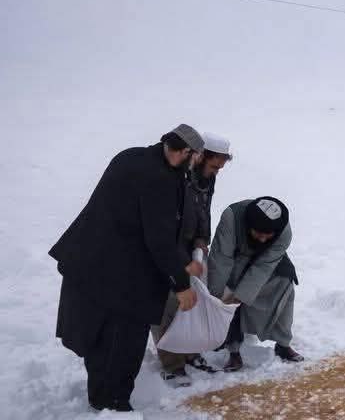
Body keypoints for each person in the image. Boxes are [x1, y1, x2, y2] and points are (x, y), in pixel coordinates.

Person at [49, 125, 205, 413]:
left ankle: (103, 399)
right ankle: (113, 406)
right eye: (195, 157)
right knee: (122, 343)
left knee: (101, 338)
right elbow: (158, 239)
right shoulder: (159, 179)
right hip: (122, 277)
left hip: (92, 262)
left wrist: (181, 259)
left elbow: (137, 218)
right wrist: (182, 284)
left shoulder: (131, 156)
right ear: (185, 152)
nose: (194, 164)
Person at [149, 131, 234, 385]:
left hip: (191, 246)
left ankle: (190, 352)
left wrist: (202, 239)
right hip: (170, 246)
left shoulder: (208, 178)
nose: (216, 172)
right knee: (167, 303)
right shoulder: (179, 176)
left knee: (191, 301)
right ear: (200, 156)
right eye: (214, 166)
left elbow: (203, 209)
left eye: (220, 168)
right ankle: (171, 364)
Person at [208, 196, 301, 371]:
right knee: (228, 297)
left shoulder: (283, 231)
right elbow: (221, 259)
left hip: (268, 261)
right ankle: (233, 349)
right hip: (235, 258)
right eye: (258, 233)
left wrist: (242, 295)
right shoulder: (231, 218)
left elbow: (264, 266)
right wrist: (216, 296)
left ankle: (283, 344)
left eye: (268, 235)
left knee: (285, 283)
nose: (263, 239)